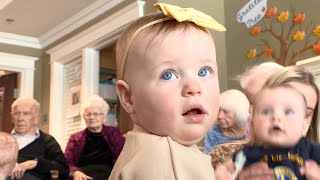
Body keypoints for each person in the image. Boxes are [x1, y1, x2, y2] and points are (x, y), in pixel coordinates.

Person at [109, 2, 226, 180]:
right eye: (168, 75)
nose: (193, 87)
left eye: (203, 71)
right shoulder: (162, 158)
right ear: (128, 97)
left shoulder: (147, 148)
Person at [222, 66, 320, 179]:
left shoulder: (311, 152)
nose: (278, 118)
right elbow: (226, 171)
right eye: (267, 111)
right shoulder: (247, 154)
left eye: (306, 113)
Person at [64, 95, 125, 180]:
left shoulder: (113, 133)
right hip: (83, 177)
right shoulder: (75, 138)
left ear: (103, 117)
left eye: (95, 114)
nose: (91, 117)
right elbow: (67, 161)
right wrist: (75, 172)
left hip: (108, 176)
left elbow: (124, 156)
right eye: (88, 114)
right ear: (84, 117)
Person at [9, 97, 69, 180]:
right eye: (16, 113)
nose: (20, 118)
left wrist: (36, 163)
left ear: (36, 118)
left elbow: (63, 170)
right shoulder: (3, 141)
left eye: (26, 114)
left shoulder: (47, 141)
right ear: (12, 117)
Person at [204, 89, 250, 154]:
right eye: (219, 110)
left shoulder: (252, 130)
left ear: (239, 112)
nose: (219, 116)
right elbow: (208, 158)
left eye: (226, 112)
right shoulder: (213, 132)